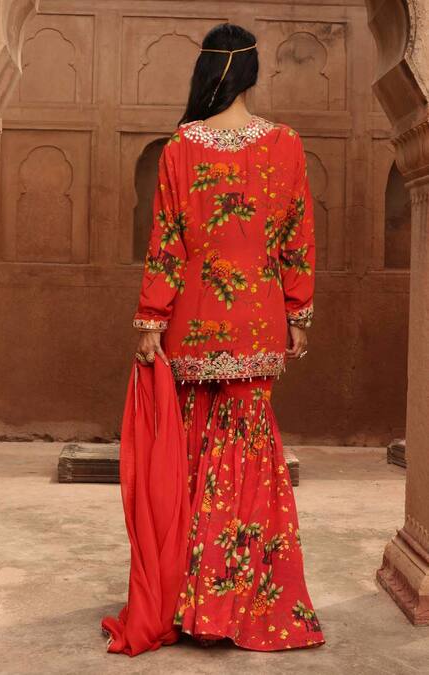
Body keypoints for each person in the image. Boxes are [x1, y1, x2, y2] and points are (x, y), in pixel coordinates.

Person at [131, 22, 325, 652]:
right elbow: (296, 235)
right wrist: (298, 313)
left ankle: (194, 605)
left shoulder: (180, 146)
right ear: (252, 73)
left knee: (192, 458)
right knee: (247, 458)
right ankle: (241, 604)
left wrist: (151, 320)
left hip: (192, 321)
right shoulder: (286, 143)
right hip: (258, 320)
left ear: (206, 71)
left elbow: (167, 244)